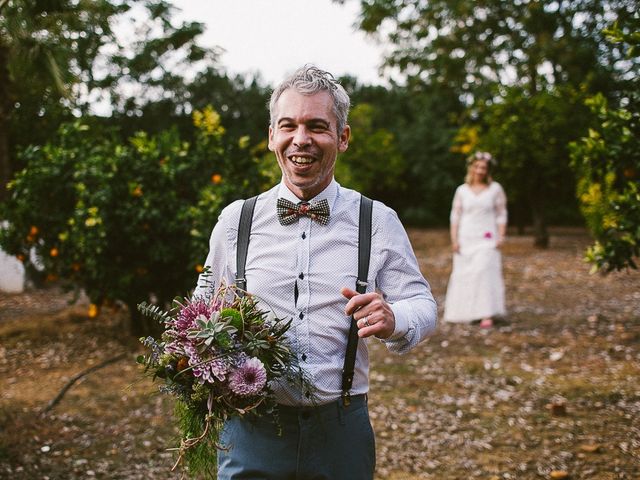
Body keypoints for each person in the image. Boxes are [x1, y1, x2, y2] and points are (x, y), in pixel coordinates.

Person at [194, 65, 437, 480]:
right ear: (272, 136)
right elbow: (201, 308)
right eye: (288, 125)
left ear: (342, 137)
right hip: (252, 426)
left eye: (317, 126)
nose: (300, 139)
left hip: (340, 430)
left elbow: (424, 305)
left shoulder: (376, 220)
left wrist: (394, 319)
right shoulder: (237, 220)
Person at [444, 151, 508, 328]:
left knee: (485, 271)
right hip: (466, 238)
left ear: (488, 170)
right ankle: (466, 311)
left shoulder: (495, 189)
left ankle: (486, 313)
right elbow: (455, 216)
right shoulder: (462, 190)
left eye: (484, 167)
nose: (480, 170)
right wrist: (454, 239)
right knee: (466, 274)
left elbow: (501, 214)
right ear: (471, 168)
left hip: (487, 238)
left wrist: (501, 236)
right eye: (477, 167)